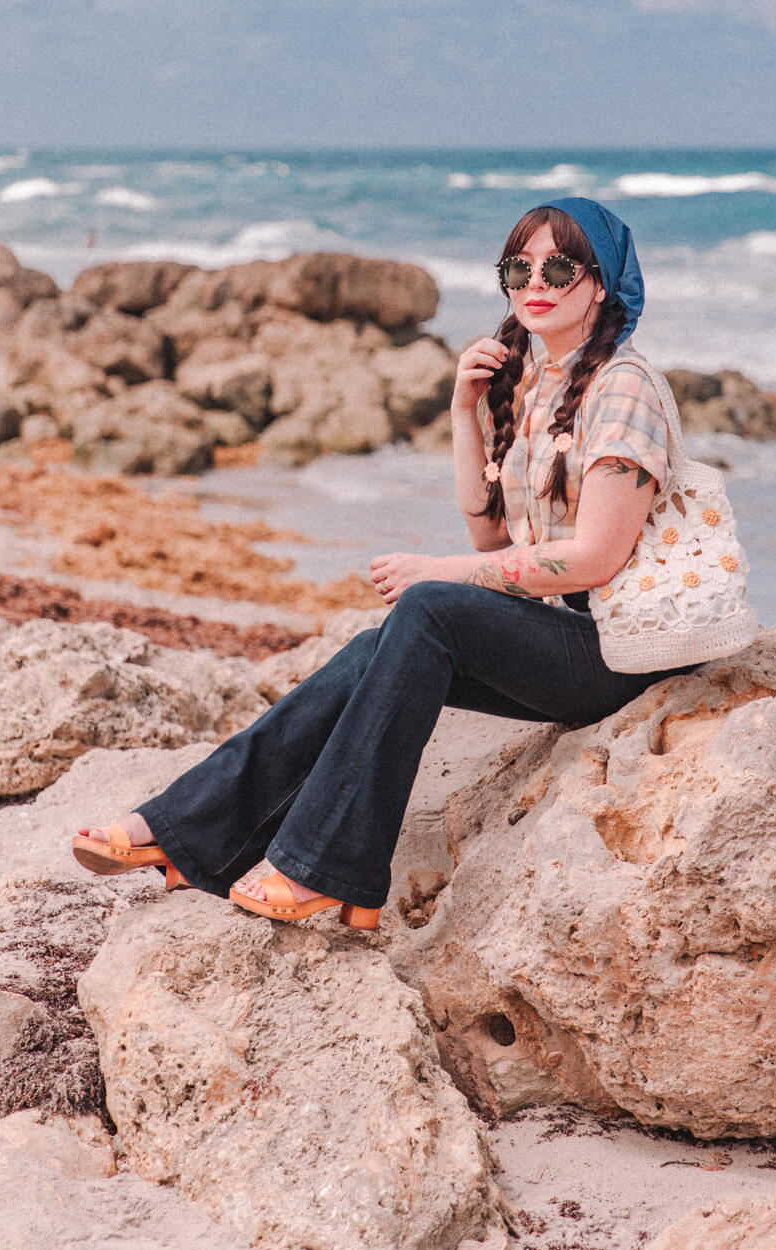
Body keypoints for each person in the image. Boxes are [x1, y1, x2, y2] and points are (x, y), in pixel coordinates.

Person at [71, 197, 693, 926]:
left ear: (602, 283)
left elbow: (592, 560)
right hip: (566, 640)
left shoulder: (625, 385)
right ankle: (187, 834)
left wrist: (440, 572)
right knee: (378, 648)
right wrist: (464, 411)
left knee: (429, 607)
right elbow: (495, 539)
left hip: (621, 650)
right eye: (516, 267)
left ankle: (325, 869)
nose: (535, 281)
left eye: (558, 265)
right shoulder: (545, 385)